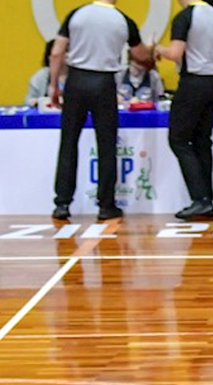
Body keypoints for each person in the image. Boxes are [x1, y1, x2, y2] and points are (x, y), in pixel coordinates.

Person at [49, 0, 151, 222]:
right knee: (106, 145)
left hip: (76, 80)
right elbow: (141, 55)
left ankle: (62, 203)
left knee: (68, 142)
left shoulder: (77, 14)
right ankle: (107, 205)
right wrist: (152, 52)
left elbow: (57, 53)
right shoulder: (123, 20)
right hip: (104, 82)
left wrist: (54, 85)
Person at [154, 0, 213, 220]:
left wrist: (157, 48)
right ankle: (207, 198)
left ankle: (199, 198)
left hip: (193, 82)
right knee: (202, 140)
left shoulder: (185, 16)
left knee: (179, 140)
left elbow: (175, 53)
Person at [26, 41, 66, 107]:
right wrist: (37, 102)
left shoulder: (79, 75)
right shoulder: (40, 77)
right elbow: (28, 101)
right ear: (49, 57)